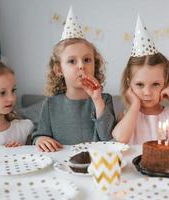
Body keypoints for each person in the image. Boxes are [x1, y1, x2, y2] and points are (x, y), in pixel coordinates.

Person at [32, 7, 115, 152]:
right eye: (72, 61)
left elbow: (108, 138)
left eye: (87, 60)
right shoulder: (51, 104)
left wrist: (97, 100)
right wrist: (40, 139)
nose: (81, 66)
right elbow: (39, 135)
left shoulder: (104, 100)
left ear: (95, 65)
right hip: (61, 166)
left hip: (94, 165)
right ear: (59, 70)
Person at [112, 16, 169, 144]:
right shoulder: (128, 117)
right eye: (140, 84)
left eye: (155, 84)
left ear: (165, 84)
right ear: (129, 83)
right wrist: (134, 105)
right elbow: (120, 138)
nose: (147, 92)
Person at [0, 48, 33, 151]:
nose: (11, 98)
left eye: (13, 90)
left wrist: (20, 151)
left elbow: (34, 159)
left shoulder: (23, 129)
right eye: (2, 93)